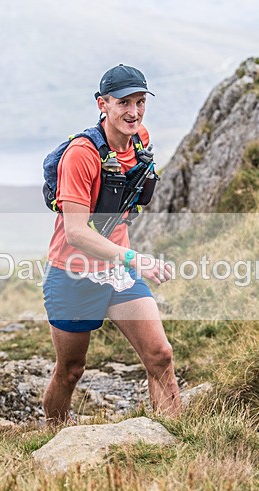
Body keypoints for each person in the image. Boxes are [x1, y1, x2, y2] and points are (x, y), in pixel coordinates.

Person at [42, 64, 180, 423]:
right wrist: (135, 257)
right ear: (102, 104)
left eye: (140, 102)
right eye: (123, 103)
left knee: (160, 355)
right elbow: (76, 232)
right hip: (71, 273)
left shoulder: (140, 140)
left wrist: (126, 261)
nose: (133, 112)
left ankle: (176, 439)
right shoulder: (82, 155)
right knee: (71, 370)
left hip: (117, 271)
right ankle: (55, 436)